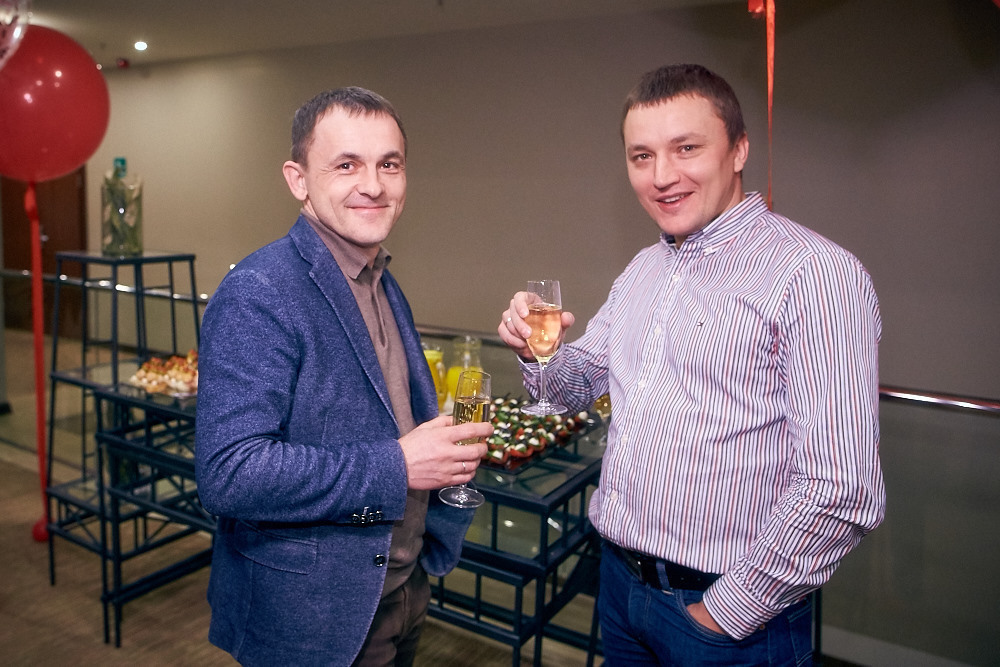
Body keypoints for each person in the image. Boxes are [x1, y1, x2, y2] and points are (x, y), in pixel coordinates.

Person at [498, 64, 885, 665]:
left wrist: (726, 611)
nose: (662, 176)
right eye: (642, 156)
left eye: (686, 148)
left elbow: (843, 487)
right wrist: (536, 351)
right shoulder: (643, 269)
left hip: (727, 618)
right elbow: (575, 386)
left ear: (739, 150)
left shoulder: (813, 273)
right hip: (621, 588)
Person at [195, 86, 491, 666]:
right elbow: (229, 473)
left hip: (398, 587)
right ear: (298, 180)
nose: (373, 185)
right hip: (312, 614)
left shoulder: (381, 279)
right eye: (347, 165)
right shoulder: (260, 290)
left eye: (389, 164)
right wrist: (399, 463)